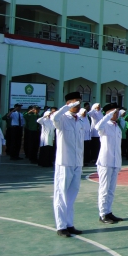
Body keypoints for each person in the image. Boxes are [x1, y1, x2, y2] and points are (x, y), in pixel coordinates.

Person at [51, 92, 85, 237]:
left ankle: (69, 224)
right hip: (64, 162)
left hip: (77, 162)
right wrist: (67, 107)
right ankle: (61, 226)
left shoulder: (80, 120)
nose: (77, 105)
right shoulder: (62, 119)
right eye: (74, 102)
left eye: (79, 102)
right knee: (61, 194)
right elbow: (54, 117)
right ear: (68, 103)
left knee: (72, 195)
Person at [96, 103, 124, 224]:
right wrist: (107, 116)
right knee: (104, 189)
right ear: (107, 113)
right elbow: (98, 126)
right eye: (113, 112)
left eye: (117, 112)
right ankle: (102, 214)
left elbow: (118, 147)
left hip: (115, 162)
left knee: (111, 190)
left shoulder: (117, 127)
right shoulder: (104, 125)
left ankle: (108, 211)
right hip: (105, 162)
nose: (116, 114)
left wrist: (119, 163)